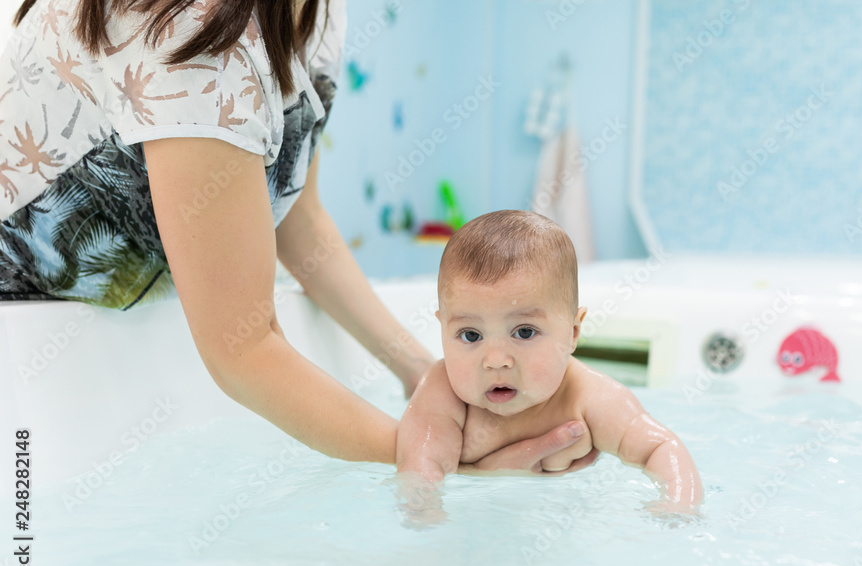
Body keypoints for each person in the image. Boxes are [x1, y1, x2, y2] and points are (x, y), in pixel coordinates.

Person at [0, 0, 594, 473]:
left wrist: (421, 373)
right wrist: (437, 455)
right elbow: (243, 350)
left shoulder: (314, 12)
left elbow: (297, 220)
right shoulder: (193, 37)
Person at [396, 210, 704, 514]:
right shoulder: (442, 390)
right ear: (442, 327)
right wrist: (422, 509)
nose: (496, 361)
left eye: (524, 332)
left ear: (573, 332)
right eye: (471, 335)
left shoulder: (589, 397)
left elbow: (660, 447)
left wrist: (677, 506)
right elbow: (421, 465)